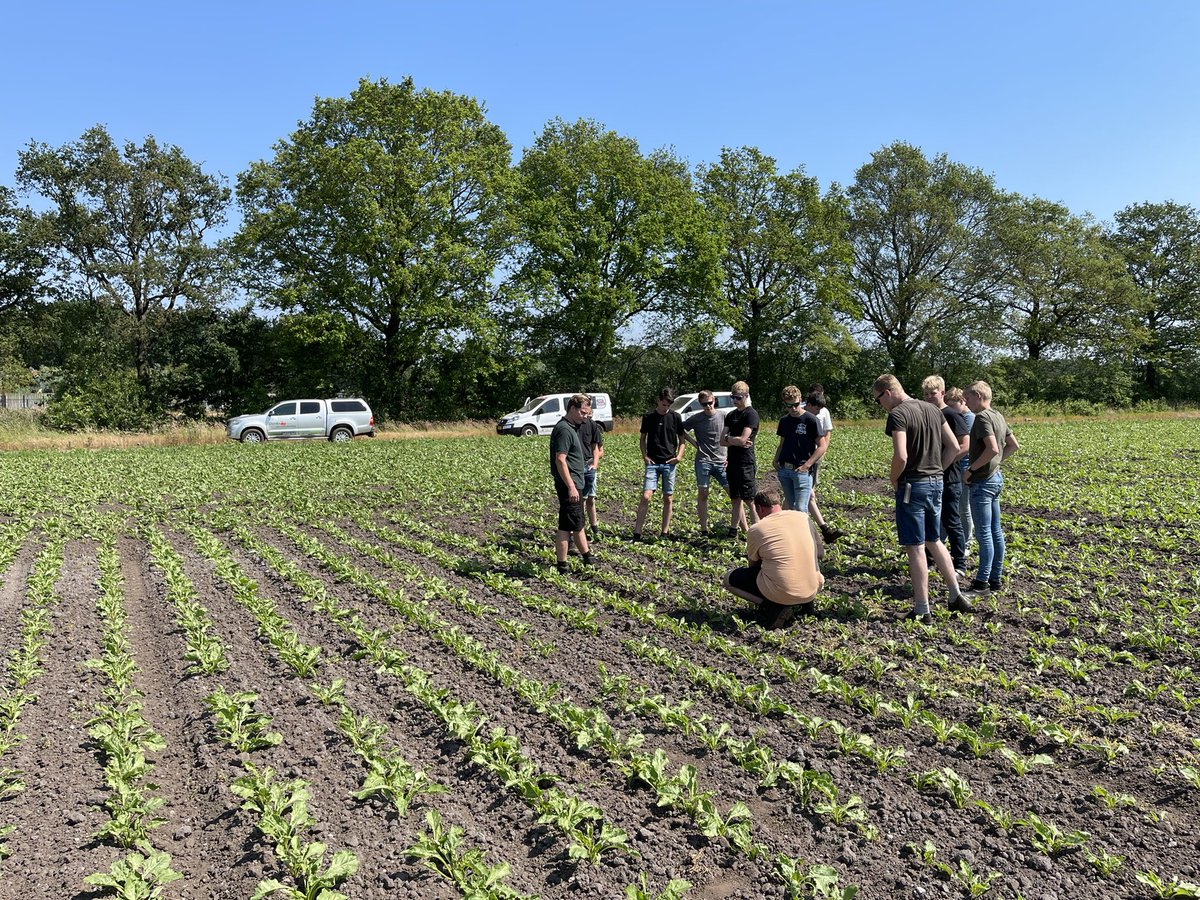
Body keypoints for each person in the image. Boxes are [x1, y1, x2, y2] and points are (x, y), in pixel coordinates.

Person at [873, 374, 972, 623]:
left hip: (912, 486)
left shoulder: (898, 415)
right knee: (934, 539)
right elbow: (953, 446)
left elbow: (902, 455)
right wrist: (938, 469)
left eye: (878, 400)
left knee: (915, 546)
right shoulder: (932, 409)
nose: (881, 406)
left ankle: (921, 608)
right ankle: (955, 594)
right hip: (937, 483)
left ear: (887, 393)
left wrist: (894, 479)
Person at [721, 487, 824, 628]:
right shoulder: (803, 517)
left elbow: (754, 565)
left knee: (729, 580)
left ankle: (772, 606)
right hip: (813, 588)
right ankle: (805, 606)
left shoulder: (757, 529)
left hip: (782, 591)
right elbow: (820, 554)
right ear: (779, 504)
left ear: (759, 509)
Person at [963, 381, 1019, 594]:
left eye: (967, 399)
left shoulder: (982, 418)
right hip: (995, 479)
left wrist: (971, 469)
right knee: (996, 531)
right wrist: (996, 465)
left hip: (982, 482)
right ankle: (995, 580)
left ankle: (981, 584)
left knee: (984, 533)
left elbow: (993, 449)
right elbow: (1013, 445)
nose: (966, 403)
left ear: (978, 396)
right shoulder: (998, 415)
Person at [922, 375, 970, 577]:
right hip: (930, 478)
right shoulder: (926, 414)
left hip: (949, 477)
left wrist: (940, 466)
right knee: (930, 520)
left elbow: (965, 446)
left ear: (942, 393)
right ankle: (930, 560)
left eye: (932, 393)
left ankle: (959, 563)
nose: (929, 397)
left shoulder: (951, 415)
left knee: (951, 520)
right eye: (925, 394)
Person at [634, 388, 686, 540]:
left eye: (669, 404)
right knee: (646, 496)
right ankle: (637, 532)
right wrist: (644, 456)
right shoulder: (648, 417)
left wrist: (679, 456)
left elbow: (682, 440)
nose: (666, 407)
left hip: (669, 462)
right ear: (658, 401)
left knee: (668, 498)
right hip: (653, 462)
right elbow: (642, 439)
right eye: (664, 404)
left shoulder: (676, 417)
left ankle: (665, 532)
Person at [550, 394, 593, 574]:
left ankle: (586, 558)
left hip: (574, 483)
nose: (585, 416)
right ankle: (565, 564)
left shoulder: (571, 427)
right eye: (583, 412)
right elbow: (560, 460)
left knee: (574, 523)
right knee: (569, 525)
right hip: (570, 485)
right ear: (572, 408)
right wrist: (571, 486)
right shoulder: (565, 430)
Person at [681, 389, 728, 536]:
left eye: (710, 403)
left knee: (734, 494)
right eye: (704, 404)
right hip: (703, 461)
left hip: (722, 461)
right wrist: (694, 443)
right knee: (703, 493)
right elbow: (680, 430)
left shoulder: (724, 416)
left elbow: (732, 436)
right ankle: (704, 529)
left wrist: (730, 457)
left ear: (714, 400)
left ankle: (738, 527)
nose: (708, 406)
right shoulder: (696, 418)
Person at [772, 385, 825, 514]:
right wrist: (775, 459)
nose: (793, 408)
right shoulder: (784, 421)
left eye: (795, 404)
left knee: (801, 509)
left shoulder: (811, 420)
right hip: (785, 470)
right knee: (791, 508)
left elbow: (822, 446)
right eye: (789, 406)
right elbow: (782, 443)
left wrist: (807, 465)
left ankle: (805, 534)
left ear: (800, 400)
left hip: (802, 471)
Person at [804, 385, 843, 544]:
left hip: (814, 456)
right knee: (807, 495)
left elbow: (827, 433)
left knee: (807, 494)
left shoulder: (823, 411)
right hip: (801, 458)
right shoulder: (799, 411)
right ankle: (823, 531)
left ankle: (823, 531)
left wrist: (822, 451)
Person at [721, 381, 759, 536]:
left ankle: (758, 531)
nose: (735, 400)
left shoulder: (751, 414)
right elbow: (721, 440)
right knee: (735, 498)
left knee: (750, 499)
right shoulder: (731, 415)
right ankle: (733, 530)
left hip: (745, 462)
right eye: (733, 397)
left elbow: (744, 439)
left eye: (738, 398)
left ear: (746, 396)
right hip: (732, 461)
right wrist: (733, 440)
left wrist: (731, 439)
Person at [945, 387, 975, 548]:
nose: (950, 410)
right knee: (954, 507)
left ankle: (967, 543)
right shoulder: (959, 416)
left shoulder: (968, 418)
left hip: (964, 467)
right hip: (957, 467)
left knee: (964, 508)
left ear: (962, 402)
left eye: (952, 405)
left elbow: (964, 446)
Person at [576, 401, 605, 541]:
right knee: (580, 500)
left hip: (589, 467)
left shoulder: (593, 426)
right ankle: (579, 529)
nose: (586, 416)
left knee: (590, 499)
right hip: (578, 467)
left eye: (588, 414)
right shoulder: (573, 426)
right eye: (584, 413)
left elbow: (599, 450)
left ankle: (594, 528)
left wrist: (594, 464)